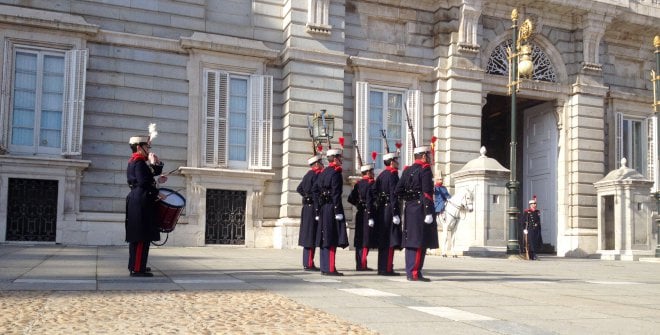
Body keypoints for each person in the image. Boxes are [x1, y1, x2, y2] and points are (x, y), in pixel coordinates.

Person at [125, 135, 166, 277]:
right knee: (142, 236)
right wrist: (157, 193)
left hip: (138, 200)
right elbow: (144, 182)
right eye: (147, 147)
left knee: (140, 236)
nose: (149, 149)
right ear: (139, 147)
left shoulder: (137, 162)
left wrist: (156, 167)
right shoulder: (139, 163)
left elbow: (147, 178)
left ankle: (136, 265)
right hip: (141, 201)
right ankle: (137, 269)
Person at [395, 146, 438, 282]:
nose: (430, 158)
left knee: (411, 241)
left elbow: (398, 190)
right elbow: (427, 192)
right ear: (424, 156)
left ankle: (410, 272)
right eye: (428, 156)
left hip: (409, 208)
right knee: (419, 242)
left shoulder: (407, 171)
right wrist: (428, 211)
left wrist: (410, 198)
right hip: (421, 210)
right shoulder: (425, 170)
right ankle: (415, 273)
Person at [313, 147, 349, 276]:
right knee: (331, 238)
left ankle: (324, 267)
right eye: (340, 158)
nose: (341, 161)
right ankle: (330, 268)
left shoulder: (323, 172)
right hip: (332, 209)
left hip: (323, 208)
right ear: (335, 159)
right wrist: (338, 210)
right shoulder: (336, 173)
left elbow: (315, 191)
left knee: (324, 238)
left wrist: (318, 208)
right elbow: (336, 194)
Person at [374, 152, 402, 276]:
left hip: (381, 210)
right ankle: (387, 268)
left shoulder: (381, 175)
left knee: (382, 240)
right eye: (396, 160)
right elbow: (393, 195)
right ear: (391, 162)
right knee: (390, 240)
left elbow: (374, 191)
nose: (398, 162)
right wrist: (396, 212)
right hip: (390, 210)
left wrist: (379, 203)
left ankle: (381, 267)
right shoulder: (392, 175)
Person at [297, 154, 323, 271]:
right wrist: (313, 198)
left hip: (306, 208)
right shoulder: (316, 175)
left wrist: (306, 196)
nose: (323, 165)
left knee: (307, 235)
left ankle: (307, 262)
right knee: (311, 235)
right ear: (316, 164)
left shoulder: (307, 175)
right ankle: (308, 263)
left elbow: (299, 188)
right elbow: (316, 190)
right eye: (321, 163)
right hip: (313, 208)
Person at [348, 164, 376, 271]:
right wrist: (370, 215)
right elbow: (370, 201)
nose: (373, 174)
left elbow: (350, 199)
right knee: (366, 240)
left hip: (360, 213)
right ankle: (363, 264)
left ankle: (359, 264)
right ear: (368, 173)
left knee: (359, 239)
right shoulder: (370, 184)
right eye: (372, 172)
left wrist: (358, 205)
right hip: (367, 215)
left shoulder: (358, 184)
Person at [522, 195, 542, 261]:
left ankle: (534, 254)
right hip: (529, 229)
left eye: (535, 204)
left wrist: (537, 225)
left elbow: (538, 221)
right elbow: (523, 221)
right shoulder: (527, 212)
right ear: (530, 205)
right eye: (533, 204)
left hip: (536, 229)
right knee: (530, 242)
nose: (535, 205)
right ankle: (532, 255)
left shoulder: (537, 212)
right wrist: (524, 229)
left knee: (535, 242)